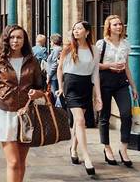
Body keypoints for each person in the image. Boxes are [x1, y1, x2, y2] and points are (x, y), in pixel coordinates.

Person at [0, 25, 46, 182]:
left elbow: (41, 87)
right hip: (5, 113)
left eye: (19, 37)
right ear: (6, 39)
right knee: (13, 162)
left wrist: (37, 93)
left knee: (21, 162)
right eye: (12, 37)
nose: (15, 40)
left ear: (24, 40)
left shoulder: (32, 61)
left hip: (26, 115)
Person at [57, 21, 103, 177]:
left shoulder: (95, 50)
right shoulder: (68, 48)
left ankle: (74, 148)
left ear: (87, 32)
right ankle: (87, 157)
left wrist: (98, 96)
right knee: (81, 121)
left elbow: (95, 73)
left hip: (85, 86)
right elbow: (60, 68)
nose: (76, 31)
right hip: (71, 85)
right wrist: (61, 87)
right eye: (74, 29)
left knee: (78, 122)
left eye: (79, 29)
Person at [95, 15, 138, 167]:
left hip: (121, 82)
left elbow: (126, 66)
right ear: (109, 27)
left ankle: (123, 148)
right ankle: (107, 148)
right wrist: (110, 66)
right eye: (115, 25)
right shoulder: (101, 44)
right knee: (104, 116)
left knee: (126, 114)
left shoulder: (126, 44)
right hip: (105, 80)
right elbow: (95, 66)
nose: (119, 27)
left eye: (120, 24)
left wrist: (133, 86)